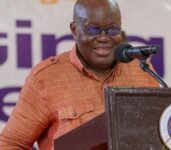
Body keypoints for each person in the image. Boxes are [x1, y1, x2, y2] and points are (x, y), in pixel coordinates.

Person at [0, 0, 159, 149]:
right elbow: (10, 144)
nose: (104, 37)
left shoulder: (141, 70)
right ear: (74, 30)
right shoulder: (45, 78)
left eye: (112, 29)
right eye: (92, 29)